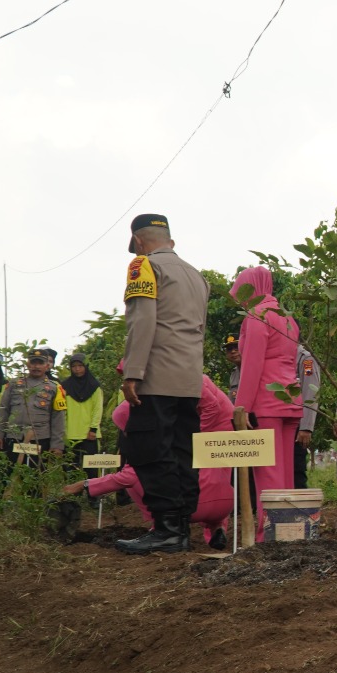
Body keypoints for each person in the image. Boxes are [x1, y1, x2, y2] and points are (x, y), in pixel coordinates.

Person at [113, 213, 209, 556]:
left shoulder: (145, 266)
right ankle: (179, 528)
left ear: (139, 242)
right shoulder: (196, 275)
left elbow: (142, 320)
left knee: (148, 449)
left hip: (157, 376)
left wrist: (133, 372)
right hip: (189, 379)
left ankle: (167, 529)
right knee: (181, 451)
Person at [68, 377, 235, 548]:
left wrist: (85, 484)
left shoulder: (159, 441)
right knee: (214, 475)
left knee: (145, 479)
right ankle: (217, 528)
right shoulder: (167, 390)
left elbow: (127, 477)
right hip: (226, 503)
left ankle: (162, 527)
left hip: (195, 500)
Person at [231, 266, 304, 539]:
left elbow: (251, 365)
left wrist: (241, 407)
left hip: (266, 399)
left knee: (268, 474)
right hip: (290, 398)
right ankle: (288, 532)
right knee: (285, 473)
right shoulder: (287, 318)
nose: (239, 297)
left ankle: (268, 536)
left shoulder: (257, 316)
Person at [0, 347, 65, 464]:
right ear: (27, 364)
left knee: (36, 477)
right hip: (14, 437)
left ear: (47, 365)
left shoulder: (54, 388)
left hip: (40, 439)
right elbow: (3, 410)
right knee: (9, 475)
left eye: (40, 363)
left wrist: (57, 445)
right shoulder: (14, 384)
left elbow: (58, 418)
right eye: (33, 362)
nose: (36, 366)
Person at [61, 352, 105, 466]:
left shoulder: (94, 386)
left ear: (86, 367)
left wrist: (93, 429)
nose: (77, 369)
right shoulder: (65, 386)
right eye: (74, 366)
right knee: (70, 469)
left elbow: (97, 409)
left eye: (80, 366)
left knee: (91, 470)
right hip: (70, 434)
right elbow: (62, 409)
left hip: (89, 435)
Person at [294, 344, 320, 490]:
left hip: (298, 423)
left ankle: (300, 509)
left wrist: (306, 427)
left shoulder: (305, 359)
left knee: (296, 468)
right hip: (281, 421)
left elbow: (311, 393)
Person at [223, 334, 242, 400]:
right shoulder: (234, 373)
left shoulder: (254, 368)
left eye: (236, 347)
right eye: (229, 349)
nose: (233, 351)